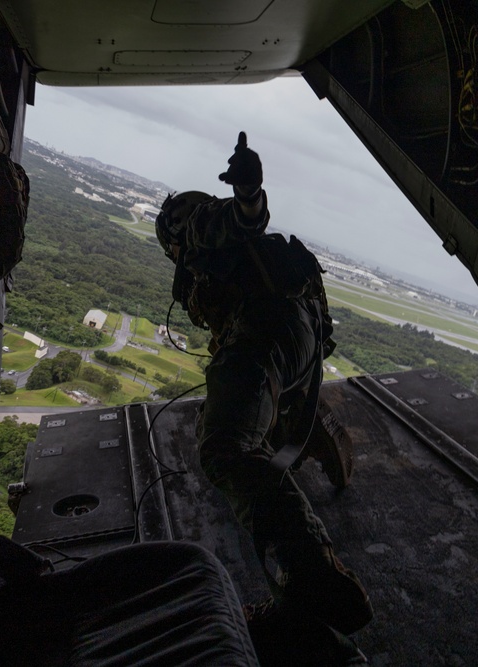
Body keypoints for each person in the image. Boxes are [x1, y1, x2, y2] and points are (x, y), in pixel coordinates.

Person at [155, 132, 373, 636]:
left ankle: (316, 586)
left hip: (268, 337)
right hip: (296, 342)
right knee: (250, 412)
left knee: (226, 447)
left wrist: (249, 191)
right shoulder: (226, 255)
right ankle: (312, 425)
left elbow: (245, 216)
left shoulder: (200, 227)